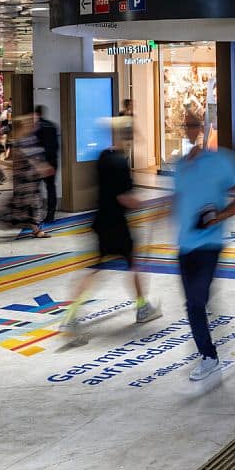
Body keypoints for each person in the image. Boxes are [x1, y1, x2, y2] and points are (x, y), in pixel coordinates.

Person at [173, 112, 235, 383]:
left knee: (196, 300)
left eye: (194, 125)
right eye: (187, 125)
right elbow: (179, 199)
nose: (190, 129)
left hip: (210, 244)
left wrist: (219, 216)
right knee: (193, 305)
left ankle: (208, 356)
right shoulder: (180, 165)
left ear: (204, 129)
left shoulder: (221, 160)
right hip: (184, 245)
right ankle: (208, 355)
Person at [58, 140, 159, 337]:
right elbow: (124, 198)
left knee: (95, 269)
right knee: (133, 265)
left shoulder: (104, 158)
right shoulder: (120, 163)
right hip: (118, 225)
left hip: (100, 221)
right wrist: (144, 205)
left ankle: (71, 316)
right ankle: (142, 307)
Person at [2, 117, 51, 239]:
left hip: (31, 178)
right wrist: (41, 167)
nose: (33, 126)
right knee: (30, 204)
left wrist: (42, 167)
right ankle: (35, 230)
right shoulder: (20, 141)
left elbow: (35, 156)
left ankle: (33, 228)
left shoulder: (30, 138)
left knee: (28, 204)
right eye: (31, 124)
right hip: (25, 179)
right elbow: (29, 158)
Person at [34, 105, 60, 223]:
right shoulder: (53, 126)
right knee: (51, 188)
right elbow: (56, 145)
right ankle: (51, 214)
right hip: (53, 161)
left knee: (36, 188)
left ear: (37, 114)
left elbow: (36, 147)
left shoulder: (37, 127)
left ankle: (36, 213)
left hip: (40, 163)